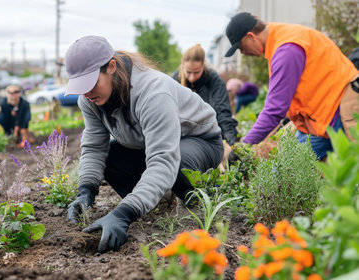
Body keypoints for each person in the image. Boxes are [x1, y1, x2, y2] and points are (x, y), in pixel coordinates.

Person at [64, 36, 223, 253]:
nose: (87, 93)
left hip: (200, 142)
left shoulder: (153, 92)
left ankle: (194, 195)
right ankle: (161, 195)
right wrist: (86, 191)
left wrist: (124, 213)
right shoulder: (90, 99)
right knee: (109, 159)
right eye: (81, 87)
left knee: (174, 166)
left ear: (111, 67)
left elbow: (163, 160)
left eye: (91, 83)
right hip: (149, 147)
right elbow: (94, 147)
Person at [224, 12, 359, 160]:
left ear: (251, 36)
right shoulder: (281, 36)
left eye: (241, 47)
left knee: (348, 171)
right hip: (321, 115)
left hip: (337, 109)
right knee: (287, 172)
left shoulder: (286, 50)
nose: (242, 52)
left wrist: (245, 144)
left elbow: (275, 109)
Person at [172, 44, 239, 146]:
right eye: (188, 72)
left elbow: (222, 110)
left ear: (203, 65)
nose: (191, 78)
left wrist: (230, 139)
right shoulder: (174, 80)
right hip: (183, 130)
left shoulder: (214, 80)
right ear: (183, 66)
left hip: (209, 128)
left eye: (196, 72)